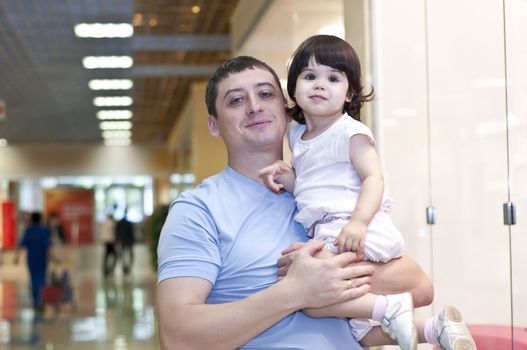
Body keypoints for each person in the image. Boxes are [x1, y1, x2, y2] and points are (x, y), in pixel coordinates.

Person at [156, 55, 434, 350]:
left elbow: (419, 286)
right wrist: (294, 292)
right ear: (214, 125)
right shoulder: (197, 210)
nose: (254, 107)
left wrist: (327, 274)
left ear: (288, 111)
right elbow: (178, 337)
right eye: (236, 100)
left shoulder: (323, 192)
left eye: (265, 94)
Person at [259, 35, 476, 350]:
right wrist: (289, 178)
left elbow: (374, 178)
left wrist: (359, 222)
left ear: (349, 94)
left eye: (333, 78)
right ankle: (435, 328)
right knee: (360, 333)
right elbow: (316, 184)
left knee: (308, 297)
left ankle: (389, 307)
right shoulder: (296, 136)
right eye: (309, 76)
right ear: (292, 89)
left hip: (353, 227)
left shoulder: (351, 132)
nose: (320, 84)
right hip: (330, 228)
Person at [14, 212, 58, 312]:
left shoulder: (28, 231)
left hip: (31, 260)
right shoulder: (44, 231)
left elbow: (21, 245)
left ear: (32, 220)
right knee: (42, 280)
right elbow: (48, 247)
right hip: (42, 260)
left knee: (33, 280)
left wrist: (16, 257)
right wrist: (54, 258)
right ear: (40, 219)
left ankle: (35, 300)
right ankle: (40, 301)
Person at [116, 209, 135, 276]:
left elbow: (117, 232)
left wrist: (118, 240)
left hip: (123, 240)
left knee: (124, 254)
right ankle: (128, 267)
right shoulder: (128, 223)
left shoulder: (120, 222)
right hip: (128, 240)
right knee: (129, 254)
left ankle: (125, 267)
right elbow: (131, 232)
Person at [101, 213, 117, 277]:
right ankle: (110, 270)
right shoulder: (111, 223)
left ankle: (105, 270)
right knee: (115, 255)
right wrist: (113, 241)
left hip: (105, 241)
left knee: (106, 256)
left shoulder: (104, 223)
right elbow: (111, 233)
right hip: (110, 242)